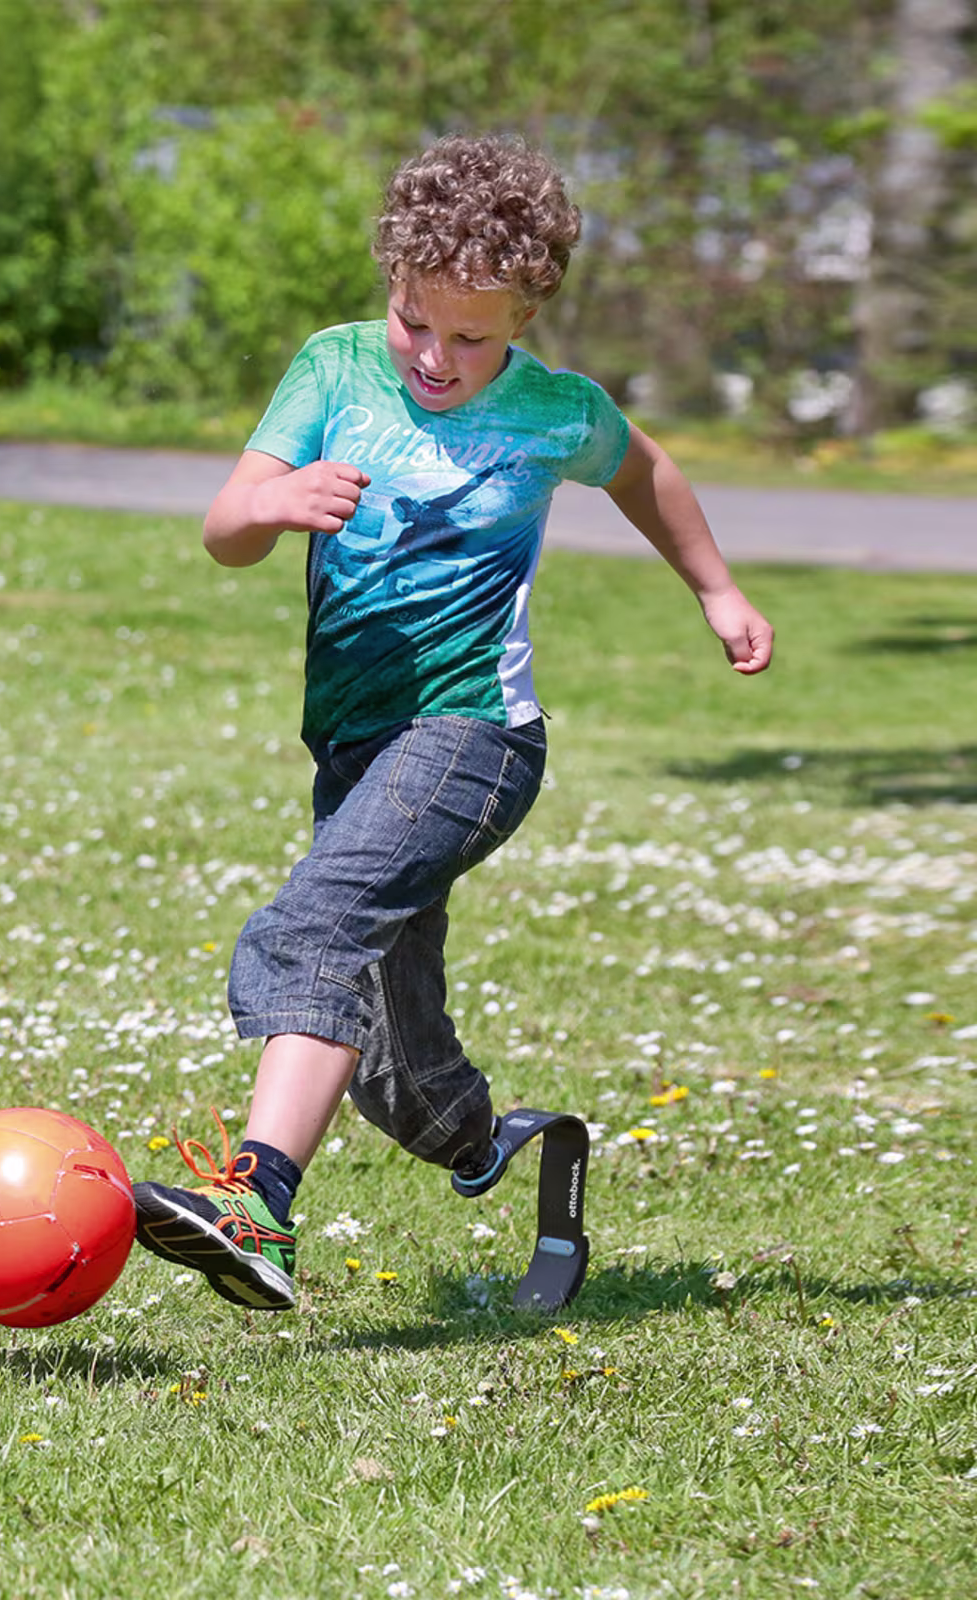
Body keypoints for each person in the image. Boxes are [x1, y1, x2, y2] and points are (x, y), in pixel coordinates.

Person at [131, 132, 774, 1312]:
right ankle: (487, 1138)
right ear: (392, 281)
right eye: (415, 322)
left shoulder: (551, 413)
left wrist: (715, 587)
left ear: (528, 314)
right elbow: (225, 527)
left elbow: (647, 474)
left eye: (471, 336)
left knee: (307, 931)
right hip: (357, 748)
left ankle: (257, 1207)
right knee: (384, 1047)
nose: (435, 356)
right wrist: (272, 502)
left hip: (475, 738)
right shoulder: (331, 369)